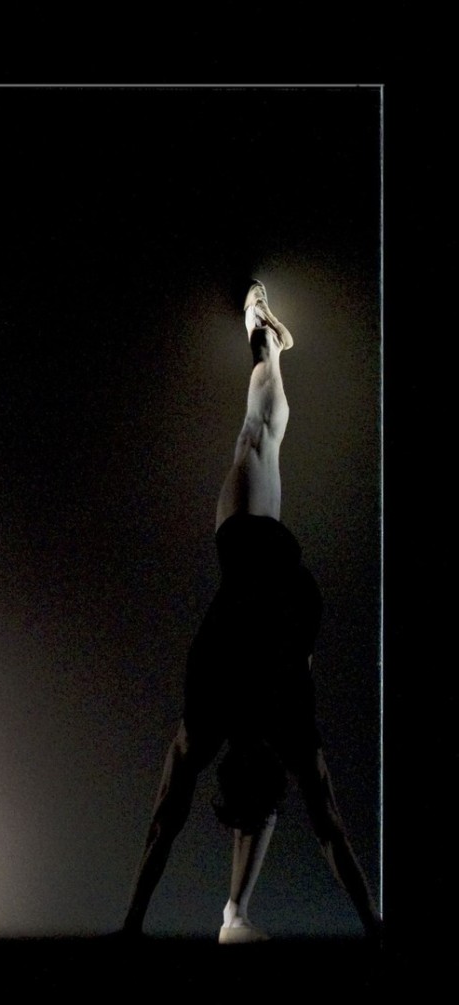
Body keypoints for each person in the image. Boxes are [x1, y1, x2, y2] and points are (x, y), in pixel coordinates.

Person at [120, 282, 381, 942]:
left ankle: (266, 340)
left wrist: (131, 925)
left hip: (266, 566)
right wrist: (375, 927)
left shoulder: (227, 720)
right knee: (257, 436)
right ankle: (264, 341)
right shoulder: (248, 722)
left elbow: (167, 821)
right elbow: (328, 830)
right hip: (266, 565)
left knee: (260, 437)